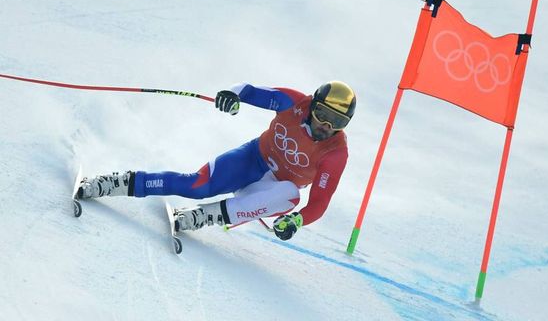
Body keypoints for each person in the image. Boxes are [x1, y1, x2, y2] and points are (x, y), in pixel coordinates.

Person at [78, 81, 356, 241]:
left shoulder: (335, 153)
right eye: (323, 115)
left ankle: (203, 216)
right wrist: (231, 96)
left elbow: (319, 204)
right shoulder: (294, 103)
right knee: (196, 185)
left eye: (338, 122)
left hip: (268, 193)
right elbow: (247, 90)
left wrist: (296, 221)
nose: (327, 126)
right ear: (313, 105)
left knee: (291, 195)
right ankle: (114, 183)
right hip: (253, 159)